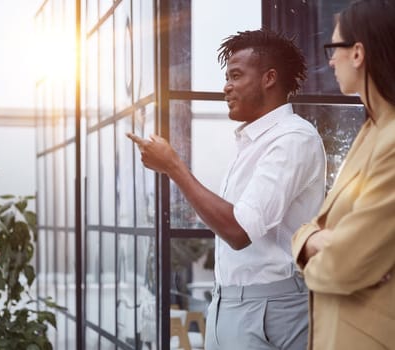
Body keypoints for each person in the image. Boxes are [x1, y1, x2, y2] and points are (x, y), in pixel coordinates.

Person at [128, 29, 326, 349]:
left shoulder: (292, 139)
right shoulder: (253, 142)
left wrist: (174, 168)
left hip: (269, 309)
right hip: (228, 304)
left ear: (269, 78)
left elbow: (237, 230)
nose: (226, 87)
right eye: (226, 77)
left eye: (236, 75)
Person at [292, 0, 395, 349]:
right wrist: (311, 239)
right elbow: (326, 236)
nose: (330, 59)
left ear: (358, 53)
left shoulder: (391, 140)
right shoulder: (372, 131)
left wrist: (315, 244)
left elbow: (343, 265)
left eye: (334, 48)